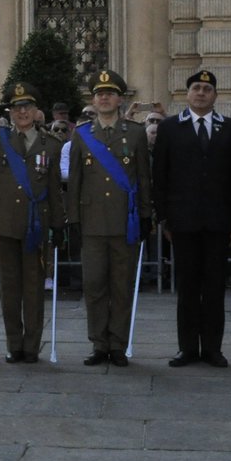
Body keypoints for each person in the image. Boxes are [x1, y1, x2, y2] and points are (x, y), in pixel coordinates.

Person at [0, 83, 64, 364]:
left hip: (35, 224)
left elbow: (55, 190)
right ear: (9, 112)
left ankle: (31, 346)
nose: (22, 112)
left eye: (27, 107)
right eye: (16, 108)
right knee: (9, 288)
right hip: (4, 221)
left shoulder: (51, 144)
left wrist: (58, 226)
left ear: (35, 111)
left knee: (33, 287)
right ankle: (13, 344)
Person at [153, 69, 231, 367]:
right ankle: (188, 348)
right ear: (187, 94)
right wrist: (164, 217)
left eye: (207, 88)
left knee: (215, 288)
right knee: (188, 288)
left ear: (215, 95)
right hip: (183, 221)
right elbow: (160, 176)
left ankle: (213, 349)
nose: (201, 93)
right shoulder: (169, 128)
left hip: (219, 222)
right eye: (196, 88)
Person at [67, 69, 152, 367]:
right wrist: (73, 219)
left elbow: (143, 177)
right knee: (94, 285)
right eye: (100, 94)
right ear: (93, 99)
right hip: (91, 224)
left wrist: (144, 215)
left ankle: (118, 344)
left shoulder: (136, 133)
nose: (105, 98)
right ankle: (98, 343)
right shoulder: (82, 134)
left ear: (119, 99)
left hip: (124, 223)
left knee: (122, 285)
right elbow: (75, 181)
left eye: (110, 93)